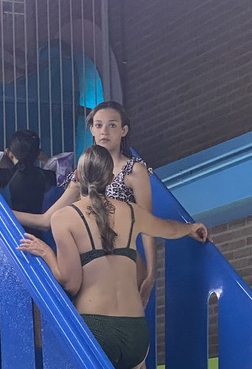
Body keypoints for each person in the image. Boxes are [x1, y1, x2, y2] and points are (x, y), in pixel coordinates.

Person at [17, 145, 208, 369]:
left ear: (76, 177)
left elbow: (70, 282)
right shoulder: (131, 212)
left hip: (96, 330)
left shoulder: (64, 217)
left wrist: (47, 253)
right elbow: (167, 228)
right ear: (110, 179)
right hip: (135, 335)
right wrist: (191, 228)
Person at [13, 102, 158, 301]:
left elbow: (148, 224)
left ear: (124, 130)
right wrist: (0, 211)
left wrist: (151, 274)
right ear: (91, 129)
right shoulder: (82, 173)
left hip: (125, 262)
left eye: (112, 125)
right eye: (98, 125)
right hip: (91, 264)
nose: (104, 131)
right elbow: (46, 220)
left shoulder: (134, 170)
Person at [4, 129, 48, 214]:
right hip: (39, 225)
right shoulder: (49, 176)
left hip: (9, 226)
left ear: (9, 153)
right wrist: (46, 160)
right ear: (38, 154)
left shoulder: (3, 178)